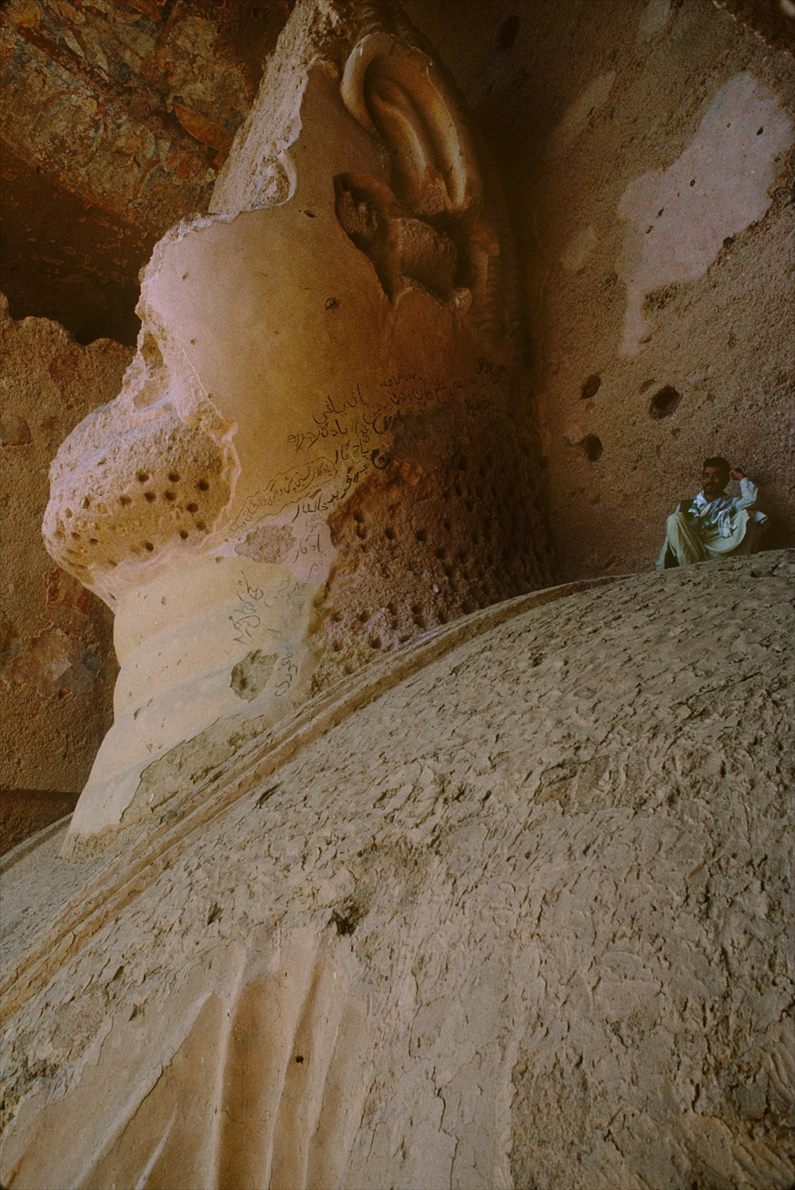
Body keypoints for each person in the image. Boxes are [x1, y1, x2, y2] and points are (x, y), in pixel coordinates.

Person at [657, 456, 767, 570]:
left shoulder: (730, 503)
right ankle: (690, 570)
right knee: (674, 519)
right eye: (706, 476)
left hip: (719, 553)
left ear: (726, 479)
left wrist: (742, 478)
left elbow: (750, 499)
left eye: (717, 476)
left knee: (750, 516)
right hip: (692, 553)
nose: (710, 480)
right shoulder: (686, 506)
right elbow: (673, 538)